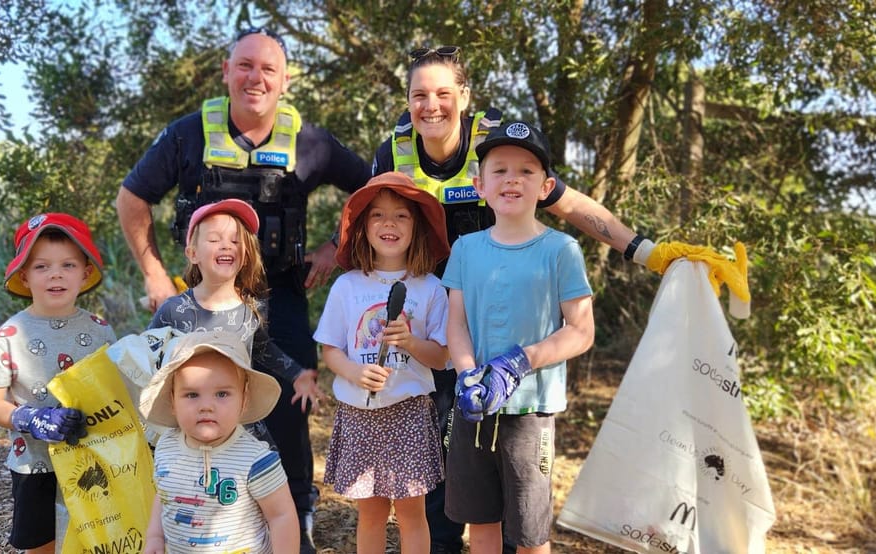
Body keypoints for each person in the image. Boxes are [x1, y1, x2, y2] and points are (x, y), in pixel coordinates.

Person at [372, 45, 747, 554]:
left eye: (443, 93)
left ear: (464, 96)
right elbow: (373, 222)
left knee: (516, 492)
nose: (430, 106)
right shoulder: (392, 151)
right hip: (437, 324)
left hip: (504, 327)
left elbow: (570, 205)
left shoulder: (500, 150)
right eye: (419, 95)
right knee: (446, 464)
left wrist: (646, 251)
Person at [117, 27, 372, 551]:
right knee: (183, 400)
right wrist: (154, 274)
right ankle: (182, 515)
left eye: (269, 69)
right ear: (227, 72)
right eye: (246, 65)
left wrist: (334, 248)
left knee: (288, 405)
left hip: (280, 295)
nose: (256, 77)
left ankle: (295, 510)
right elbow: (131, 198)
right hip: (202, 299)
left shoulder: (312, 143)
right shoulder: (187, 136)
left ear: (285, 81)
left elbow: (375, 187)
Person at [443, 121, 595, 554]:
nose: (512, 179)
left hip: (531, 409)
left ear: (546, 186)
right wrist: (469, 374)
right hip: (473, 406)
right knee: (482, 524)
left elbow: (581, 330)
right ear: (479, 185)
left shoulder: (561, 249)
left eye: (527, 171)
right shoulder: (465, 249)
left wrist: (521, 361)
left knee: (530, 534)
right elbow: (457, 323)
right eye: (500, 170)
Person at [313, 172, 453, 554]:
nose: (389, 224)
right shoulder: (347, 286)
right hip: (359, 414)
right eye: (377, 215)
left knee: (412, 515)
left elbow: (441, 358)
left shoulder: (430, 289)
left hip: (409, 413)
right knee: (370, 516)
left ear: (417, 227)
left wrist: (410, 342)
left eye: (401, 216)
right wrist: (356, 372)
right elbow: (330, 351)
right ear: (362, 227)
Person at [0, 213, 118, 554]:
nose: (55, 274)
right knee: (42, 543)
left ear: (85, 273)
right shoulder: (8, 337)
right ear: (24, 276)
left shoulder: (101, 330)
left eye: (68, 265)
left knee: (94, 537)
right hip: (35, 463)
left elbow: (115, 390)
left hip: (92, 457)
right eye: (42, 267)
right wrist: (28, 419)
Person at [148, 199, 323, 420]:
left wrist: (297, 374)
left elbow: (262, 348)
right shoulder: (173, 310)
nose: (226, 245)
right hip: (188, 422)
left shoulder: (250, 310)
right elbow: (146, 355)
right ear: (193, 254)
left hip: (236, 423)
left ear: (246, 254)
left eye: (235, 240)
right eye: (214, 239)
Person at [138, 330, 300, 554]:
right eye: (192, 395)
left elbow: (281, 516)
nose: (207, 406)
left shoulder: (256, 460)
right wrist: (155, 537)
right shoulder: (166, 446)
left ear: (244, 400)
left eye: (222, 394)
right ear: (172, 401)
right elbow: (164, 493)